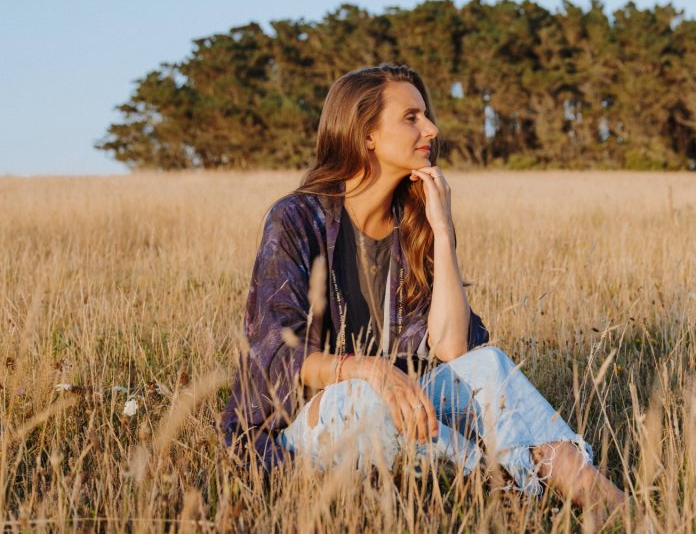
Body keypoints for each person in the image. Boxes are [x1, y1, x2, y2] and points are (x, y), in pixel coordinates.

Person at [219, 64, 625, 516]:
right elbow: (273, 354)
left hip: (406, 407)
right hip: (296, 433)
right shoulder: (296, 219)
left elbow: (453, 350)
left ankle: (615, 508)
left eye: (425, 115)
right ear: (366, 133)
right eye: (411, 117)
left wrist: (443, 231)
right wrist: (368, 370)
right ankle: (504, 492)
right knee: (367, 399)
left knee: (489, 365)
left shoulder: (414, 224)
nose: (430, 128)